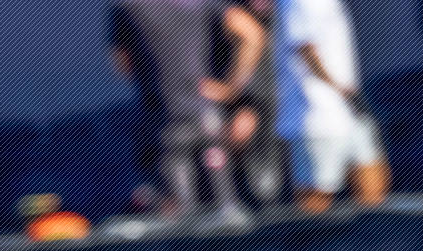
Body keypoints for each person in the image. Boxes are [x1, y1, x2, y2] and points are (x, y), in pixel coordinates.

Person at [108, 1, 248, 218]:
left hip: (166, 118)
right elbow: (250, 32)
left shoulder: (127, 7)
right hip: (205, 115)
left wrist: (231, 89)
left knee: (183, 216)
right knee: (227, 208)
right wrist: (232, 88)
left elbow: (123, 65)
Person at [273, 0, 390, 212]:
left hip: (350, 111)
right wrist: (338, 87)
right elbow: (305, 48)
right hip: (316, 115)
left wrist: (347, 94)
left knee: (372, 186)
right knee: (316, 203)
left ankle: (377, 233)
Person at [208, 0, 284, 208]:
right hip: (256, 108)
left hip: (268, 110)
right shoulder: (229, 10)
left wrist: (232, 90)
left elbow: (252, 36)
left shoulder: (280, 15)